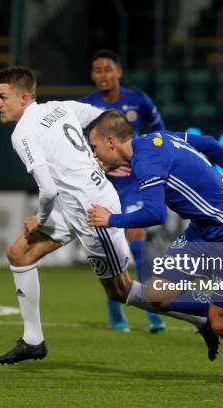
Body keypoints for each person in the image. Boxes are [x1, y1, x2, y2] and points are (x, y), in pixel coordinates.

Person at [0, 66, 218, 365]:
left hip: (93, 213)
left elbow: (46, 190)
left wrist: (41, 220)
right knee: (19, 254)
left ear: (24, 97)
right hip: (74, 206)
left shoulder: (23, 134)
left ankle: (209, 314)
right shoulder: (61, 108)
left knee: (120, 291)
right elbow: (106, 115)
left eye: (2, 97)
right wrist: (99, 158)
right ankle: (33, 340)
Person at [86, 110, 223, 384]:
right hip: (201, 232)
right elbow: (207, 142)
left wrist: (111, 219)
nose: (95, 155)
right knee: (158, 293)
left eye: (95, 147)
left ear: (111, 142)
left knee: (222, 325)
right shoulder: (155, 139)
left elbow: (155, 214)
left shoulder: (147, 161)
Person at [79, 49, 165, 333]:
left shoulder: (138, 100)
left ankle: (153, 310)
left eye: (107, 69)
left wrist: (147, 161)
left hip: (132, 183)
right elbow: (76, 147)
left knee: (137, 244)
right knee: (109, 250)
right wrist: (100, 164)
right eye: (97, 70)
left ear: (119, 72)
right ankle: (115, 312)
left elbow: (158, 133)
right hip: (101, 185)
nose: (102, 75)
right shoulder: (85, 106)